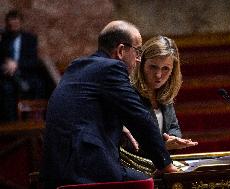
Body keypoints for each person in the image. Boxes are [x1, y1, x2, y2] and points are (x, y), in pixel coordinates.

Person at [40, 20, 178, 189]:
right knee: (151, 182)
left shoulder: (79, 66)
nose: (138, 59)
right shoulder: (112, 68)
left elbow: (81, 112)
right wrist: (165, 164)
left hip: (55, 169)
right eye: (137, 51)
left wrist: (120, 126)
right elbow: (139, 117)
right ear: (121, 50)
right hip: (84, 169)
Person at [120, 36, 198, 174]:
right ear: (141, 64)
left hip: (159, 168)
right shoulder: (129, 93)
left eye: (165, 69)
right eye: (153, 67)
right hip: (134, 170)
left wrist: (174, 139)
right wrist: (162, 145)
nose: (158, 75)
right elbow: (128, 143)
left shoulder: (164, 96)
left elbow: (173, 127)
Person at [0, 9, 47, 122]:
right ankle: (12, 125)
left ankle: (34, 121)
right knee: (6, 89)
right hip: (8, 76)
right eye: (11, 25)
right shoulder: (3, 39)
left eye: (16, 23)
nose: (13, 26)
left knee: (39, 85)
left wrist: (17, 64)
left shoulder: (30, 39)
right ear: (7, 24)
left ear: (21, 23)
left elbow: (33, 61)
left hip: (26, 74)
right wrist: (6, 66)